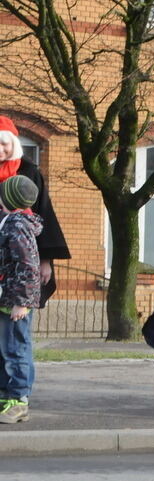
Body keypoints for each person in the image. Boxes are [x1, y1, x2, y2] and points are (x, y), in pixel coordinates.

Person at [0, 116, 70, 307]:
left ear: (12, 144)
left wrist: (45, 260)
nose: (0, 150)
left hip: (18, 264)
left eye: (4, 144)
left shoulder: (28, 172)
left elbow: (43, 215)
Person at [0, 176, 42, 424]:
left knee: (16, 349)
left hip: (15, 301)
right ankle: (7, 396)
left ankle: (19, 401)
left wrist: (22, 302)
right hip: (7, 297)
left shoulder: (18, 226)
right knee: (5, 350)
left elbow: (29, 266)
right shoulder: (8, 222)